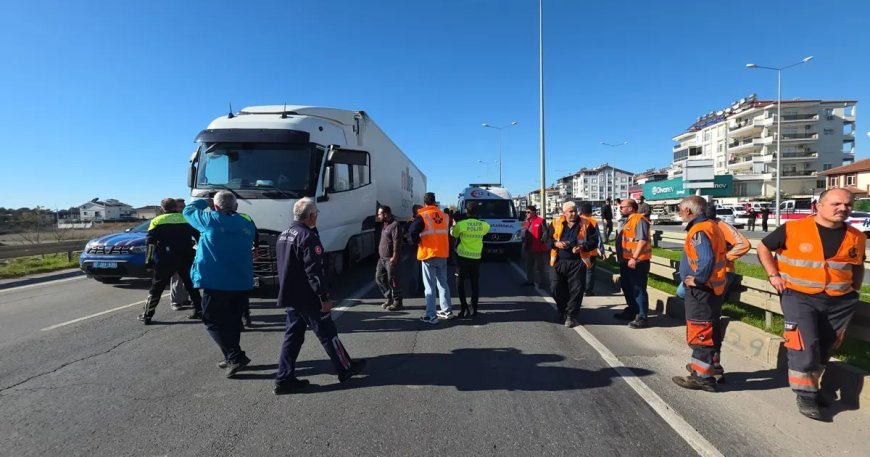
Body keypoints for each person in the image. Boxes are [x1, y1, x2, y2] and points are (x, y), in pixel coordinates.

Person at [756, 188, 865, 420]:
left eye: (847, 204)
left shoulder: (857, 236)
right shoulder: (794, 228)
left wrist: (854, 290)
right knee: (805, 345)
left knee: (825, 346)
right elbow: (763, 247)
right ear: (819, 205)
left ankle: (812, 386)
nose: (843, 208)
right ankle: (805, 394)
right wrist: (773, 275)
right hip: (799, 295)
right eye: (836, 204)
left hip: (840, 301)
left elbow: (857, 265)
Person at [273, 198, 366, 394]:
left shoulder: (283, 235)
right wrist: (324, 297)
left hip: (291, 295)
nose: (317, 216)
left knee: (292, 337)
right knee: (328, 333)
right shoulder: (307, 237)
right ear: (310, 215)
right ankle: (345, 368)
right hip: (308, 295)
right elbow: (314, 272)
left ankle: (284, 378)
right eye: (316, 213)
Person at [183, 191, 256, 378]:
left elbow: (187, 211)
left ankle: (234, 356)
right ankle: (232, 354)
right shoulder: (247, 223)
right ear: (237, 206)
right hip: (241, 280)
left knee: (211, 321)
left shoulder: (210, 219)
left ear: (216, 207)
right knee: (232, 321)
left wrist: (203, 202)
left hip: (216, 281)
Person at [671, 196, 728, 392]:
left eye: (679, 208)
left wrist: (697, 280)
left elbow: (706, 258)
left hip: (701, 290)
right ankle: (711, 366)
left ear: (688, 211)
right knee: (711, 329)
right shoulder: (712, 226)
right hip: (714, 288)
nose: (678, 211)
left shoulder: (699, 231)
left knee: (700, 332)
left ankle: (702, 377)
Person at [138, 198, 202, 324]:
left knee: (157, 288)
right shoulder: (186, 218)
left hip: (164, 259)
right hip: (185, 257)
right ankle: (199, 311)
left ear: (162, 208)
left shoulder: (156, 221)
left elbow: (150, 244)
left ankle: (147, 315)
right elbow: (199, 237)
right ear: (175, 207)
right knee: (191, 285)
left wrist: (148, 262)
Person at [548, 201, 599, 328]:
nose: (574, 213)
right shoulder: (556, 222)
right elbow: (546, 238)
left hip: (577, 261)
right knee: (555, 288)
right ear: (564, 213)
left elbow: (594, 241)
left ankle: (571, 315)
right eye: (570, 211)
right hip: (559, 261)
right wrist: (556, 244)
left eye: (575, 210)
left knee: (576, 290)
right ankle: (562, 308)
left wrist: (582, 246)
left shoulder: (586, 223)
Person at [408, 192, 453, 323]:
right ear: (435, 202)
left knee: (429, 286)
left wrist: (418, 242)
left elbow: (412, 231)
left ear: (424, 203)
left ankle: (431, 315)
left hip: (428, 254)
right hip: (442, 253)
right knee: (443, 283)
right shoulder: (445, 216)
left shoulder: (422, 216)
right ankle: (446, 311)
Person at [613, 199, 652, 328]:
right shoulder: (628, 220)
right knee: (627, 286)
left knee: (638, 288)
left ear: (630, 208)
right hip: (626, 260)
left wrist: (634, 258)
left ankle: (642, 316)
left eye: (622, 207)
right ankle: (632, 310)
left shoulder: (639, 220)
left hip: (637, 262)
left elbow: (642, 240)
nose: (620, 209)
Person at [450, 202, 491, 318]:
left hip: (462, 257)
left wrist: (453, 225)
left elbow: (454, 234)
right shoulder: (484, 225)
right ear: (478, 212)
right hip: (476, 257)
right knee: (474, 282)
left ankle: (464, 308)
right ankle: (474, 308)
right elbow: (487, 229)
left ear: (466, 211)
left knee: (460, 282)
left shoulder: (461, 224)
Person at [706, 206, 751, 296]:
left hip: (723, 272)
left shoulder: (721, 225)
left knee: (711, 304)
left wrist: (723, 258)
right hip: (707, 271)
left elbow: (744, 244)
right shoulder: (704, 226)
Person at [375, 205, 404, 311]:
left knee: (393, 280)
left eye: (379, 214)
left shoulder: (395, 225)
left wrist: (395, 256)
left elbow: (397, 242)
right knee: (379, 278)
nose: (378, 216)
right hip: (382, 258)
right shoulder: (384, 225)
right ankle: (389, 298)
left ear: (386, 214)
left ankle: (398, 302)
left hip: (390, 258)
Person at [169, 198, 193, 312]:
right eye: (179, 207)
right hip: (174, 253)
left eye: (183, 206)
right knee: (177, 278)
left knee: (189, 277)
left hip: (188, 252)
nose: (182, 209)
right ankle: (175, 301)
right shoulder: (170, 220)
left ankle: (185, 298)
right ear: (174, 208)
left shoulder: (188, 219)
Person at [522, 205, 550, 291]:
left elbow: (546, 232)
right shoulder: (527, 222)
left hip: (538, 248)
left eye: (528, 212)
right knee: (529, 266)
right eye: (526, 212)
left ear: (534, 212)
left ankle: (543, 283)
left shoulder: (541, 220)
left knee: (540, 267)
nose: (527, 214)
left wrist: (542, 240)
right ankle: (530, 281)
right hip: (529, 247)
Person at [579, 203, 603, 296]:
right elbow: (598, 238)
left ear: (581, 211)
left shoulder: (576, 220)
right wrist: (602, 250)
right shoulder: (593, 221)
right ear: (590, 212)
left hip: (579, 251)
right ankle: (588, 290)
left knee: (580, 272)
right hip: (591, 251)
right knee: (589, 272)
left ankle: (579, 288)